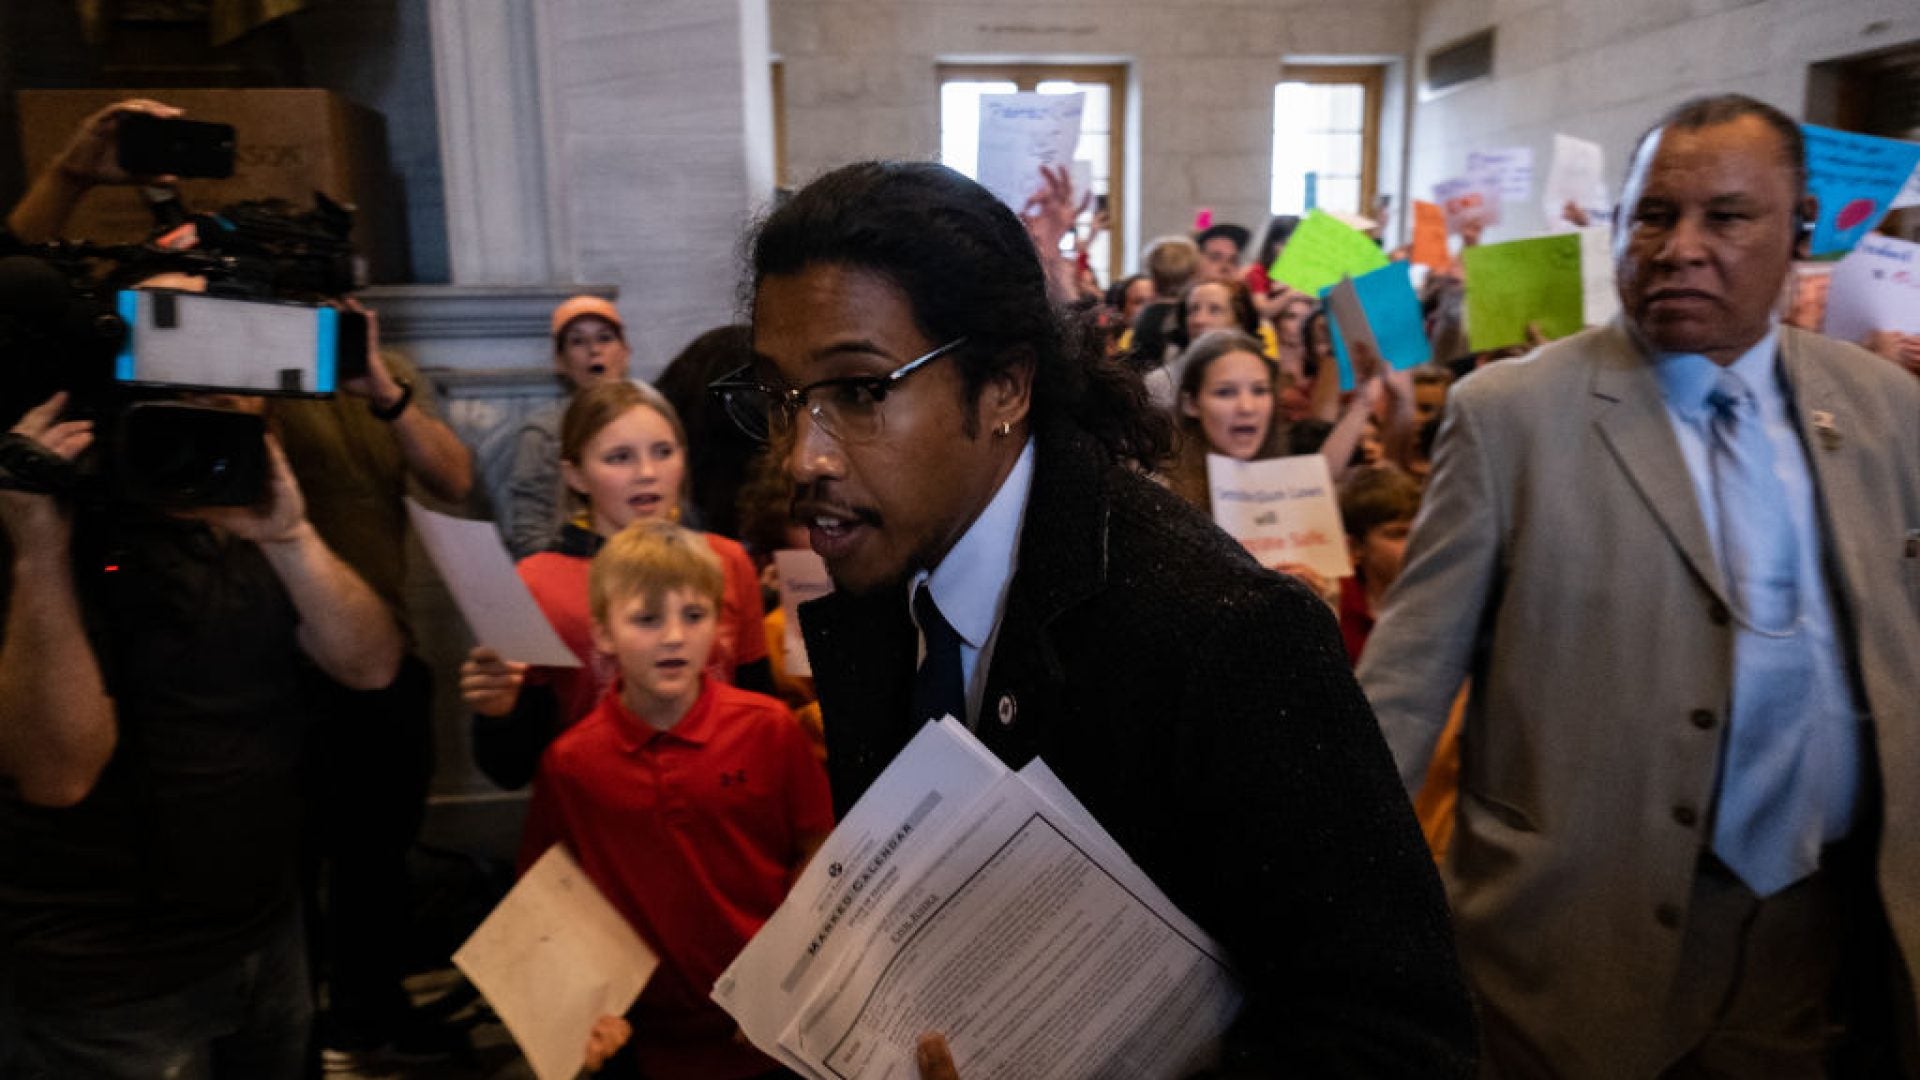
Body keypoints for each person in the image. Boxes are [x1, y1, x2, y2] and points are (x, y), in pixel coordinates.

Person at [718, 159, 1476, 1076]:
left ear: (1004, 386)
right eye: (781, 398)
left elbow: (1396, 1040)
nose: (805, 456)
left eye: (862, 391)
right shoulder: (882, 590)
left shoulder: (1223, 634)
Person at [1358, 94, 1920, 1077]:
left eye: (1726, 217)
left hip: (1820, 946)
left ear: (1797, 236)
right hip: (1568, 954)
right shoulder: (1513, 417)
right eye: (1654, 214)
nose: (1680, 247)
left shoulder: (1883, 410)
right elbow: (1404, 691)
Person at [0, 390, 402, 1080]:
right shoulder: (64, 532)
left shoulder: (245, 521)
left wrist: (290, 536)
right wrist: (38, 549)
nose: (195, 417)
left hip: (265, 933)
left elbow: (369, 666)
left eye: (219, 397)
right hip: (111, 981)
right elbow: (58, 773)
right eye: (170, 396)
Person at [518, 519, 832, 1079]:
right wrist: (580, 1007)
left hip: (767, 1029)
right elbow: (548, 897)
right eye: (646, 618)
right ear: (604, 634)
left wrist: (786, 976)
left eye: (694, 616)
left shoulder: (768, 729)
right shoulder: (571, 764)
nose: (673, 636)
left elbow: (818, 849)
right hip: (639, 1043)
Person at [463, 379, 770, 789]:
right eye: (619, 457)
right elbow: (511, 769)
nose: (647, 473)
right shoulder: (534, 583)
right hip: (598, 808)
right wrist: (497, 711)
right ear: (576, 474)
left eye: (663, 452)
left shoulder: (727, 562)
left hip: (719, 799)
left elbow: (759, 712)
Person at [499, 295, 635, 559]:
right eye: (578, 341)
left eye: (605, 338)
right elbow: (529, 536)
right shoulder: (544, 433)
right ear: (560, 361)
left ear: (625, 352)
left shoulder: (654, 418)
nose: (594, 350)